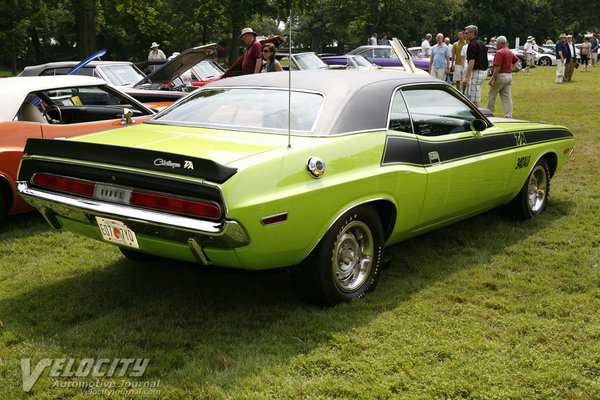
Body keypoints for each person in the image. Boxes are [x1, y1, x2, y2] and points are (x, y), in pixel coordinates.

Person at [487, 36, 520, 118]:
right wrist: (512, 68)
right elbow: (517, 60)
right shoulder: (509, 51)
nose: (495, 44)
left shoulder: (499, 52)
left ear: (498, 43)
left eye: (496, 42)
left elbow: (497, 67)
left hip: (501, 75)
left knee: (491, 95)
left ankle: (490, 114)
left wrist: (492, 78)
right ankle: (509, 115)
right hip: (508, 75)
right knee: (507, 97)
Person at [462, 25, 488, 107]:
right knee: (475, 96)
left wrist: (466, 77)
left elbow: (471, 61)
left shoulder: (472, 45)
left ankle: (482, 117)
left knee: (475, 99)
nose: (465, 35)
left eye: (466, 33)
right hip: (483, 72)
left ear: (472, 33)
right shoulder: (481, 43)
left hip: (476, 72)